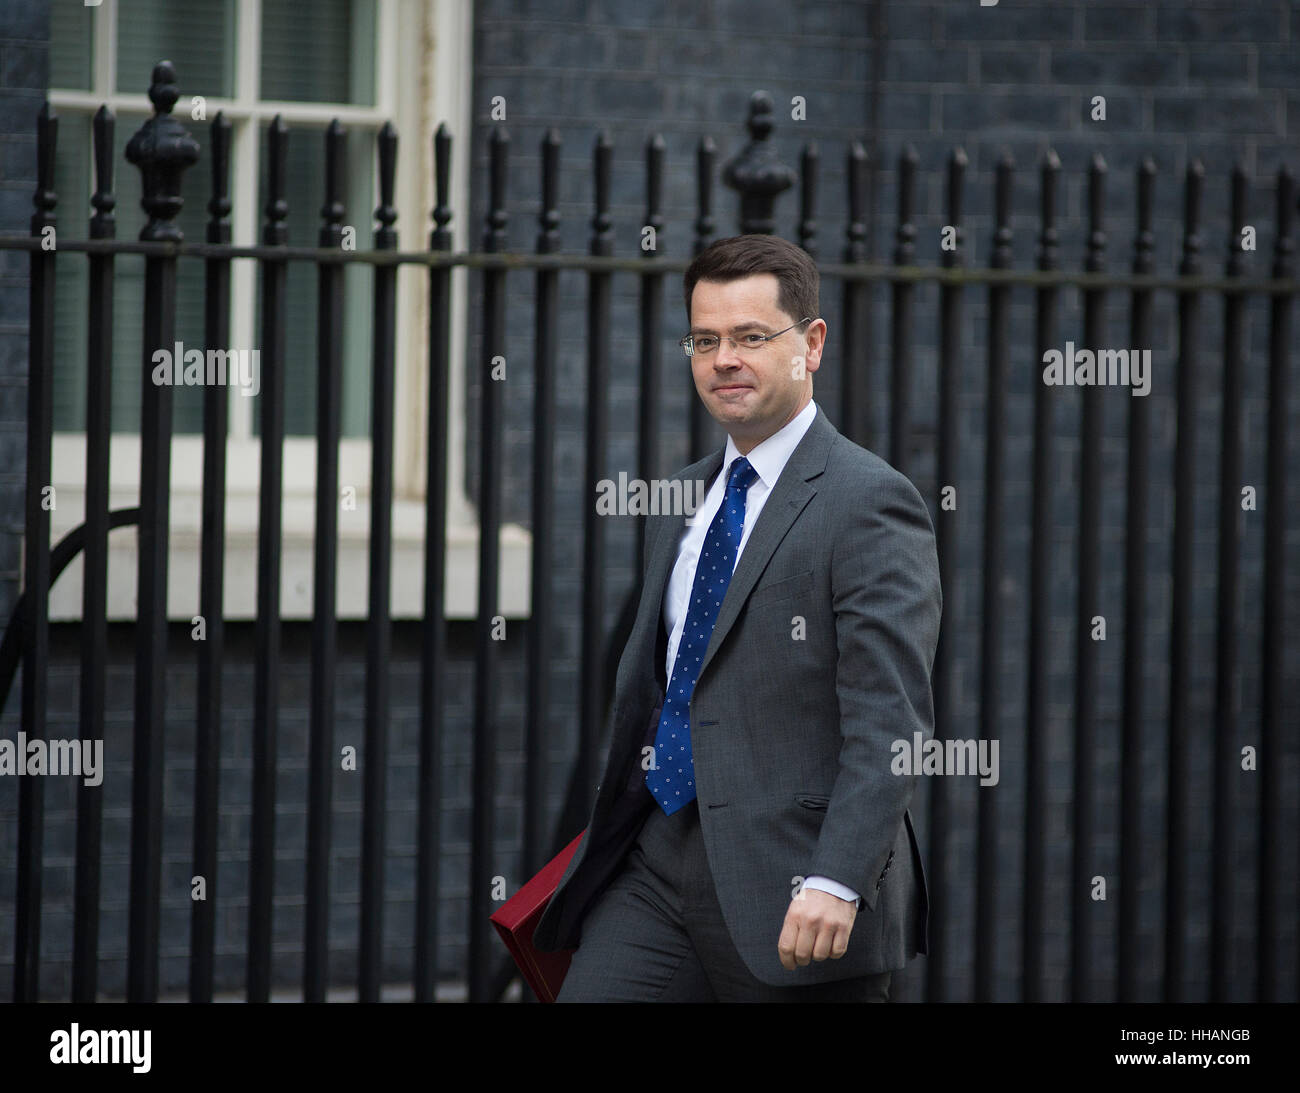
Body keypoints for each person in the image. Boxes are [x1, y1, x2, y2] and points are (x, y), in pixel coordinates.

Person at [533, 233, 942, 1002]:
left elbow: (891, 716)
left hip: (794, 890)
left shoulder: (869, 502)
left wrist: (838, 876)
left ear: (811, 344)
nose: (725, 358)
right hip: (652, 868)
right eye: (706, 339)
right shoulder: (684, 496)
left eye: (752, 337)